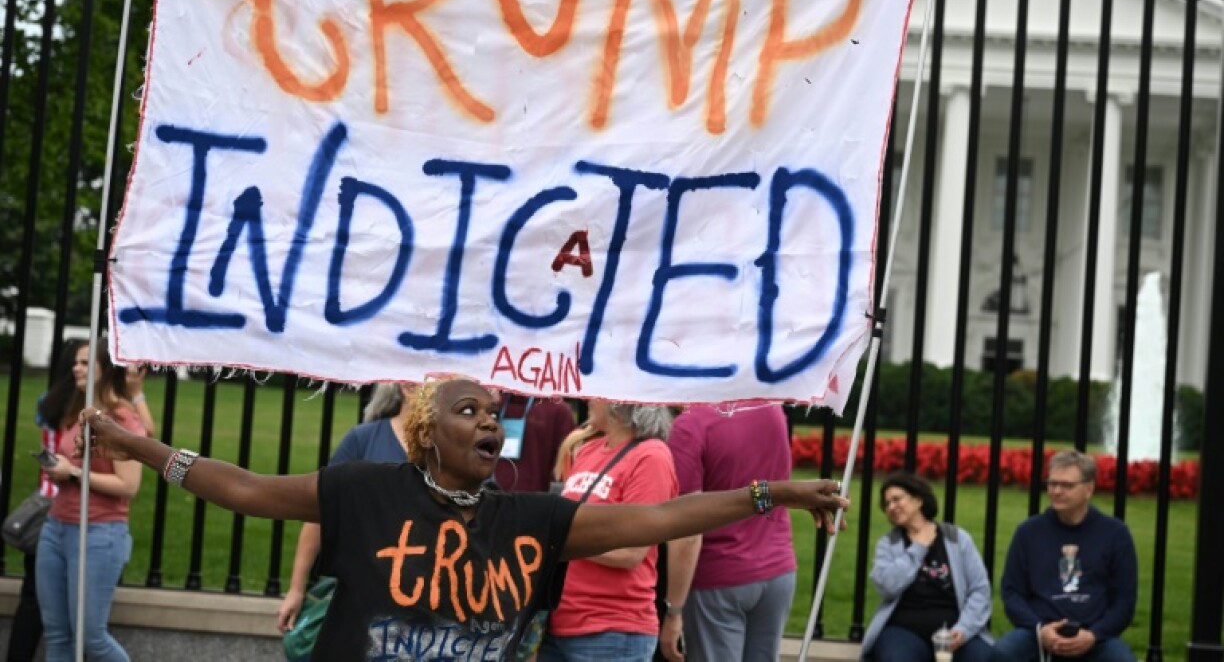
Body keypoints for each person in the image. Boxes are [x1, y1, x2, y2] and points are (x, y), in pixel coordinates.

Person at [77, 375, 848, 661]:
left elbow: (667, 516)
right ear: (424, 431)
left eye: (497, 412)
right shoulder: (363, 491)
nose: (491, 422)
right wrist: (134, 447)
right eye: (468, 409)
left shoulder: (530, 518)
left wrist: (773, 494)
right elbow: (243, 488)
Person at [539, 401, 678, 662]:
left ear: (619, 403)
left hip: (612, 630)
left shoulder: (651, 456)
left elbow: (632, 551)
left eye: (598, 393)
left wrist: (558, 540)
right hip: (558, 623)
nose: (589, 399)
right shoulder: (588, 450)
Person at [658, 402, 798, 662]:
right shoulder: (770, 408)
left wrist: (673, 610)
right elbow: (766, 488)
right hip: (777, 568)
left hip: (718, 578)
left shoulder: (691, 425)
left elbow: (688, 530)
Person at [36, 340, 144, 662]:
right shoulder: (78, 410)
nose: (76, 368)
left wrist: (73, 473)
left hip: (98, 534)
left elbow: (129, 485)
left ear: (105, 370)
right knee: (57, 635)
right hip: (56, 528)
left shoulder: (122, 418)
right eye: (76, 363)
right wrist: (59, 468)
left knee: (91, 639)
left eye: (85, 363)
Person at [276, 382, 412, 634]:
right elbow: (319, 513)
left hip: (424, 599)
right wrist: (296, 589)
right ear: (407, 387)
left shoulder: (452, 447)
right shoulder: (364, 439)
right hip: (360, 593)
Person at [992, 450, 1138, 662]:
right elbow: (1012, 592)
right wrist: (1040, 629)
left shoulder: (1115, 534)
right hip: (1038, 633)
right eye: (1052, 484)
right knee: (1002, 654)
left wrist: (1093, 635)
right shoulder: (1028, 532)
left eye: (1067, 485)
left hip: (1095, 637)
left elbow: (1124, 601)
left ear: (1089, 489)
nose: (1057, 491)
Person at [861, 472, 993, 661]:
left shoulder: (956, 538)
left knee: (983, 657)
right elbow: (887, 587)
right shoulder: (889, 544)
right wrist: (918, 548)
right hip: (904, 630)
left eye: (897, 499)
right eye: (887, 504)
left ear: (918, 500)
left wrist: (963, 629)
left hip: (954, 630)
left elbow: (979, 590)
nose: (891, 507)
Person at [5, 342, 81, 662]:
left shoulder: (46, 402)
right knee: (71, 602)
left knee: (32, 596)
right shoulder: (84, 407)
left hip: (44, 502)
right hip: (71, 508)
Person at [493, 392, 576, 493]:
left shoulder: (557, 409)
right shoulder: (493, 403)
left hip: (532, 499)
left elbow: (565, 467)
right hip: (487, 495)